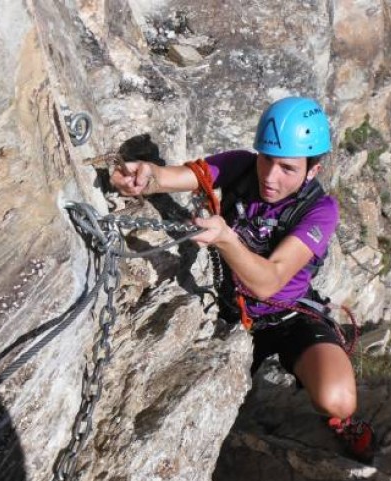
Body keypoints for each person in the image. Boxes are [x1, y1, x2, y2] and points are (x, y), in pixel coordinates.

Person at [110, 96, 374, 461]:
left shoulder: (320, 210)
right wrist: (144, 176)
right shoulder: (240, 166)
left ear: (313, 170)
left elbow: (270, 281)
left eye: (287, 168)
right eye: (266, 159)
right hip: (232, 311)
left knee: (338, 400)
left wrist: (225, 238)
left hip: (288, 312)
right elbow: (176, 177)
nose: (269, 176)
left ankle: (344, 425)